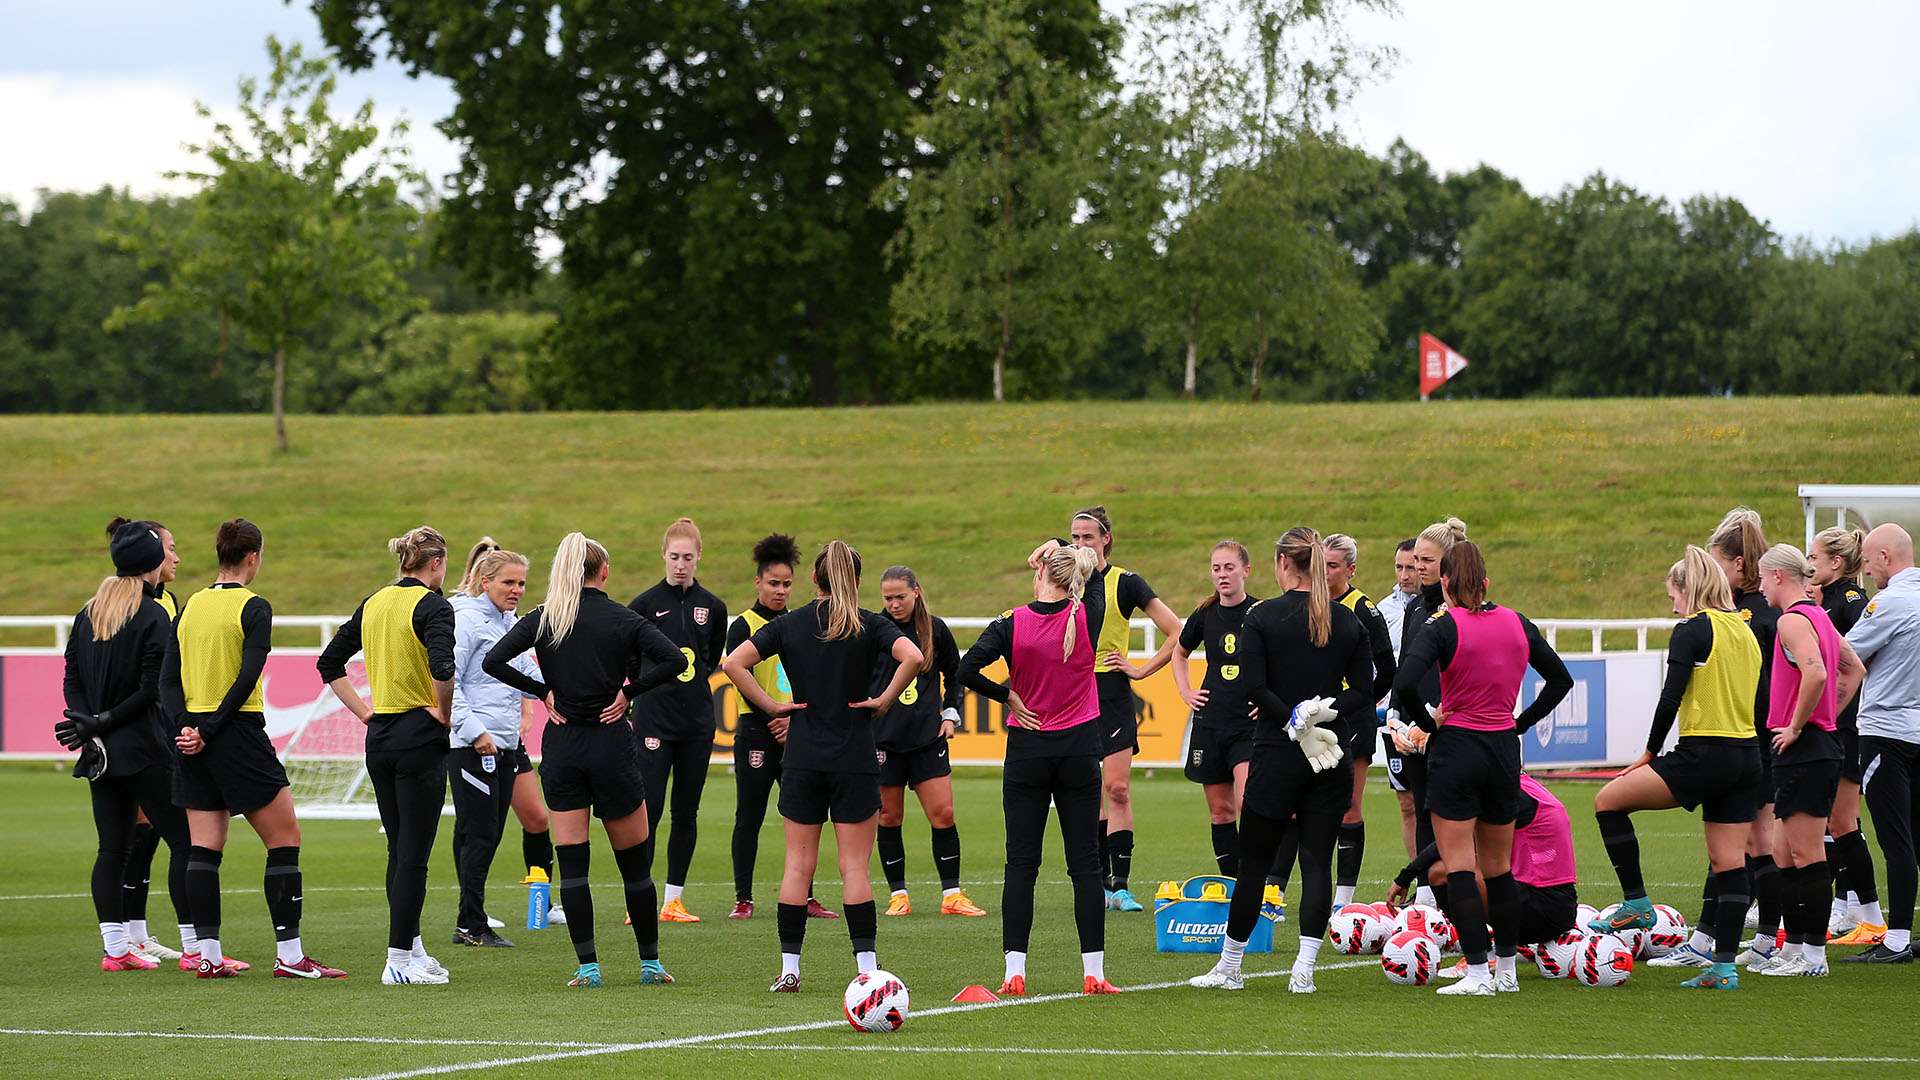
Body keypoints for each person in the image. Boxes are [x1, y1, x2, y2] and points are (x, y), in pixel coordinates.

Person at [483, 532, 689, 988]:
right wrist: (629, 693)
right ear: (604, 572)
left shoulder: (545, 618)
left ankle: (588, 966)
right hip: (611, 745)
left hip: (564, 747)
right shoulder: (623, 618)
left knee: (574, 865)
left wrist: (542, 691)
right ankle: (650, 963)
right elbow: (675, 660)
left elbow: (493, 661)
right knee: (634, 866)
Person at [721, 540, 922, 993]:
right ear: (857, 580)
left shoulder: (790, 623)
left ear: (814, 578)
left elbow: (733, 663)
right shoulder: (869, 623)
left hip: (803, 758)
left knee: (798, 865)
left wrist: (773, 706)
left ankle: (790, 969)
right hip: (854, 757)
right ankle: (867, 969)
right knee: (855, 868)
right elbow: (914, 656)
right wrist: (884, 701)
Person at [1187, 527, 1374, 995]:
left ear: (1282, 564)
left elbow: (1253, 687)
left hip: (1276, 753)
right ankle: (1303, 970)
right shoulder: (1346, 619)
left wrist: (1293, 719)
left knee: (1254, 863)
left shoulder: (1263, 616)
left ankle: (1230, 967)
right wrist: (1323, 712)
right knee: (1317, 862)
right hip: (1329, 753)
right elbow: (1366, 690)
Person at [162, 519, 342, 980]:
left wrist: (187, 727)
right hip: (236, 732)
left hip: (191, 737)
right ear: (253, 557)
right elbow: (248, 676)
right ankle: (290, 956)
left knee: (203, 849)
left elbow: (166, 680)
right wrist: (211, 729)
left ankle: (208, 955)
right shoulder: (254, 606)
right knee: (284, 841)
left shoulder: (190, 606)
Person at [1392, 539, 1573, 996]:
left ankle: (1477, 972)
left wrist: (1428, 722)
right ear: (1486, 582)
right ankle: (1506, 971)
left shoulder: (1442, 625)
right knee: (1498, 868)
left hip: (1457, 749)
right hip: (1502, 750)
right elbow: (1561, 680)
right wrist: (1519, 723)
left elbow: (1405, 683)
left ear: (1445, 582)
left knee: (1459, 868)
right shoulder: (1517, 622)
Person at [1589, 547, 1761, 990]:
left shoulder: (1692, 629)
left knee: (1608, 802)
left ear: (1690, 588)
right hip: (1747, 755)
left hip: (1704, 752)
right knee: (1729, 863)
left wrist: (1648, 752)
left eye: (1673, 596)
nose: (1672, 607)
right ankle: (1724, 968)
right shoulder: (1744, 630)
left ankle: (1636, 902)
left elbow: (1671, 696)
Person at [959, 543, 1119, 996]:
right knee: (1085, 865)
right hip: (1079, 751)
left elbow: (965, 669)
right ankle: (1094, 972)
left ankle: (1015, 971)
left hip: (1028, 750)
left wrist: (1007, 695)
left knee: (1021, 864)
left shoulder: (1012, 622)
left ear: (1041, 575)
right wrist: (1059, 548)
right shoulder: (1088, 613)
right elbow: (1094, 567)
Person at [319, 526, 458, 985]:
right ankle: (397, 960)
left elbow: (329, 663)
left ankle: (412, 947)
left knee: (398, 850)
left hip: (380, 738)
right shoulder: (433, 605)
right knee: (414, 854)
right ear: (435, 563)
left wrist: (364, 712)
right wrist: (443, 713)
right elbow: (443, 667)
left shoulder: (375, 601)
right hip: (419, 737)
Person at [1026, 507, 1184, 913]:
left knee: (1117, 788)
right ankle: (1096, 882)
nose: (1080, 544)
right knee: (1086, 792)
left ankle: (1121, 885)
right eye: (1074, 537)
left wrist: (1141, 670)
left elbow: (1176, 631)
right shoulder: (1064, 577)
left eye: (1088, 537)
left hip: (1110, 691)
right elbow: (1035, 570)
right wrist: (1050, 548)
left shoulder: (1126, 582)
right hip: (1071, 691)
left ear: (1106, 539)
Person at [59, 519, 194, 970]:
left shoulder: (89, 612)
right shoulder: (154, 614)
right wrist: (105, 721)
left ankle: (116, 949)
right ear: (152, 562)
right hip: (145, 748)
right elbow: (152, 688)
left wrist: (89, 725)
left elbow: (72, 678)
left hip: (99, 753)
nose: (175, 558)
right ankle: (196, 948)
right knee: (187, 843)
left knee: (112, 849)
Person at [1749, 544, 1865, 977]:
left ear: (1778, 575)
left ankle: (1814, 956)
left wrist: (1800, 724)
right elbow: (1853, 670)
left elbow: (1816, 671)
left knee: (1806, 852)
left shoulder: (1793, 620)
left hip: (1805, 749)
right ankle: (1794, 947)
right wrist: (1825, 715)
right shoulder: (1818, 616)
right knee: (1783, 852)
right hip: (1809, 747)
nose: (1761, 587)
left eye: (1763, 578)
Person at [725, 534, 837, 922]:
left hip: (796, 731)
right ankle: (743, 898)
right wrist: (773, 718)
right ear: (758, 582)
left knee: (803, 816)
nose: (780, 590)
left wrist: (794, 721)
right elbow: (739, 679)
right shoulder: (743, 625)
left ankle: (806, 896)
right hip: (758, 731)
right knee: (749, 815)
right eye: (773, 583)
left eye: (787, 584)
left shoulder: (799, 623)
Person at [628, 517, 728, 923]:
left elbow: (711, 658)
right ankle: (640, 901)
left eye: (688, 557)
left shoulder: (714, 607)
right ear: (663, 556)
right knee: (648, 809)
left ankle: (674, 900)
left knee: (686, 811)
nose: (681, 564)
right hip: (654, 720)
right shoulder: (643, 606)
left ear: (699, 556)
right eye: (674, 557)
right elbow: (630, 659)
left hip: (697, 723)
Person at [873, 566, 985, 918]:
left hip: (926, 738)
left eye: (900, 597)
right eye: (888, 598)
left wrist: (950, 714)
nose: (894, 604)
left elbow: (956, 674)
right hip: (883, 742)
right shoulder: (874, 630)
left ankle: (952, 895)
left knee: (944, 814)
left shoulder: (934, 629)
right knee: (889, 817)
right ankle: (898, 896)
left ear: (916, 591)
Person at [447, 540, 541, 947]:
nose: (516, 590)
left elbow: (526, 677)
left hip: (504, 743)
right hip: (474, 745)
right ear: (485, 582)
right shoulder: (466, 621)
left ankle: (471, 918)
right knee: (479, 834)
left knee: (489, 833)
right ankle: (471, 923)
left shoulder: (509, 624)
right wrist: (475, 732)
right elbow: (447, 683)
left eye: (521, 583)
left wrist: (560, 690)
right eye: (508, 582)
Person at [1392, 772, 1578, 978]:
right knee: (1476, 859)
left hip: (1539, 911)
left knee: (1442, 872)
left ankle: (1484, 956)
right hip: (1561, 907)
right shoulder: (1526, 787)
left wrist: (1405, 876)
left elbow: (1452, 841)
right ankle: (1496, 952)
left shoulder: (1506, 794)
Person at [1707, 507, 1786, 966]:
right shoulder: (1755, 611)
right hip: (1758, 737)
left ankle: (1767, 939)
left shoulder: (1752, 616)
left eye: (1718, 563)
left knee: (1756, 844)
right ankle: (1749, 939)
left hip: (1755, 739)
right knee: (1749, 843)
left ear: (1738, 563)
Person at [1844, 524, 1920, 963]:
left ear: (1887, 556)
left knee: (1895, 839)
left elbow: (1846, 653)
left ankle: (1896, 940)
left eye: (1869, 560)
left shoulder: (1889, 602)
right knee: (1916, 836)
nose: (1867, 569)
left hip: (1886, 731)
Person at [1388, 518, 1472, 909]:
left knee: (1450, 813)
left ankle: (1460, 897)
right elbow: (1405, 668)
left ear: (1448, 563)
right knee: (1421, 807)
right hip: (1415, 729)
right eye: (1415, 559)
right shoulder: (1415, 609)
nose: (1418, 567)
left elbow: (1461, 674)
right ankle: (1425, 900)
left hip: (1449, 727)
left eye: (1427, 560)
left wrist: (1434, 721)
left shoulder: (1462, 611)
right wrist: (1395, 717)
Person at [115, 518, 185, 964]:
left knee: (152, 833)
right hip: (139, 732)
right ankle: (128, 935)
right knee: (136, 835)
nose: (177, 557)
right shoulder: (126, 604)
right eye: (171, 548)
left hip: (163, 728)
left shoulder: (169, 602)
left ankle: (135, 933)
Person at [1173, 541, 1262, 879]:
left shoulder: (1260, 612)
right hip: (1211, 723)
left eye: (1229, 567)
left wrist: (1269, 700)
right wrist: (1185, 691)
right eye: (1216, 568)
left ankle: (1256, 879)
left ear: (1246, 571)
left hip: (1247, 726)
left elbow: (1283, 660)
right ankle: (1233, 883)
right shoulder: (1205, 614)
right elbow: (1179, 653)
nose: (1222, 574)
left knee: (1248, 803)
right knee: (1221, 812)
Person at [1811, 526, 1882, 943]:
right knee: (1835, 821)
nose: (1809, 564)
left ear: (1836, 563)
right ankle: (1847, 906)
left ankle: (1868, 914)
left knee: (1842, 821)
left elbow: (1858, 657)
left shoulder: (1852, 600)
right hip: (1835, 725)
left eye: (1814, 557)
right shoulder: (1828, 599)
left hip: (1847, 725)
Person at [1324, 533, 1396, 909]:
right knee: (1303, 804)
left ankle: (1343, 898)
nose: (1324, 572)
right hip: (1315, 717)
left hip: (1352, 719)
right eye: (1320, 564)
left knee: (1349, 803)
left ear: (1350, 569)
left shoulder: (1363, 609)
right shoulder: (1309, 602)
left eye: (1332, 566)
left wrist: (1362, 700)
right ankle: (1279, 890)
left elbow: (1387, 668)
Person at [1377, 538, 1422, 864]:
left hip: (1432, 714)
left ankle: (1444, 879)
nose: (1405, 575)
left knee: (1435, 801)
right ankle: (1422, 878)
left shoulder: (1440, 607)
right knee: (1407, 803)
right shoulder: (1384, 610)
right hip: (1396, 718)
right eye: (1399, 567)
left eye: (1411, 567)